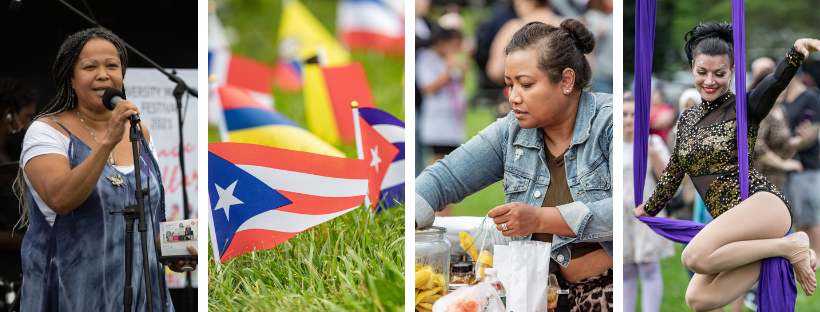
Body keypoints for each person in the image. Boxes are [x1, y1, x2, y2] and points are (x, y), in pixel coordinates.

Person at [417, 20, 613, 311]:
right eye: (509, 85)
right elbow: (443, 177)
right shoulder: (511, 131)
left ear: (566, 80)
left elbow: (625, 210)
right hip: (536, 294)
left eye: (526, 84)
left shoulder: (608, 122)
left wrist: (540, 219)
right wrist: (402, 218)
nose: (514, 97)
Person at [633, 21, 820, 311]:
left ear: (732, 72)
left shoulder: (743, 108)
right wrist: (650, 208)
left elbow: (773, 84)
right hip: (734, 222)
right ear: (692, 69)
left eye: (719, 73)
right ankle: (783, 249)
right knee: (698, 299)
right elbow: (674, 169)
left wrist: (794, 54)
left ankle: (790, 244)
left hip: (761, 205)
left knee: (692, 257)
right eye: (702, 72)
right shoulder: (686, 119)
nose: (710, 81)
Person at [14, 27, 196, 311]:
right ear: (71, 79)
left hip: (144, 295)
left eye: (112, 65)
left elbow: (148, 217)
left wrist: (173, 251)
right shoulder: (46, 131)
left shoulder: (140, 132)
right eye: (89, 67)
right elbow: (60, 199)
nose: (103, 74)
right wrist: (109, 139)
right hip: (73, 295)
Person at [622, 96, 674, 312]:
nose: (629, 119)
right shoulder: (612, 142)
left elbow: (668, 181)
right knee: (625, 270)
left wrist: (652, 154)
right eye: (624, 114)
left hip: (647, 213)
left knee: (649, 267)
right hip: (622, 216)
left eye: (634, 114)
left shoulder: (653, 142)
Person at [781, 68, 820, 260]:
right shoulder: (782, 99)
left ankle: (819, 255)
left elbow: (811, 134)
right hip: (787, 166)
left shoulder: (810, 96)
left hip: (806, 166)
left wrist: (790, 144)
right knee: (798, 217)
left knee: (810, 216)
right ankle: (807, 255)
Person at [485, 0, 564, 86]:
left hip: (523, 95)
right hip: (562, 90)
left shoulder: (513, 27)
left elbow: (495, 71)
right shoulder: (565, 25)